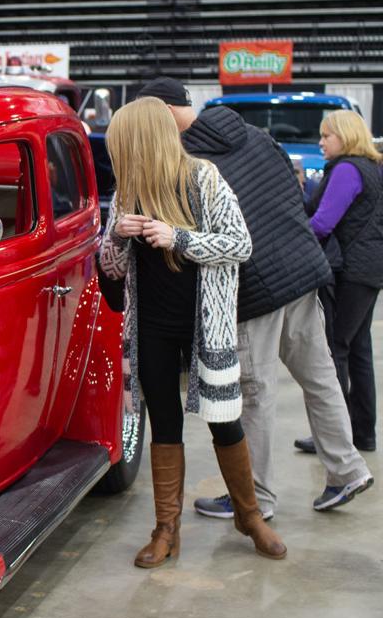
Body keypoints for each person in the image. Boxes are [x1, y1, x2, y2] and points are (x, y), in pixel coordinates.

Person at [132, 77, 373, 518]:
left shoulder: (192, 161)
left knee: (253, 394)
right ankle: (347, 470)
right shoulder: (259, 137)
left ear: (163, 113)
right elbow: (296, 195)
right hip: (303, 271)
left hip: (255, 287)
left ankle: (256, 500)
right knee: (320, 378)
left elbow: (201, 235)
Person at [100, 96, 286, 567]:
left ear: (140, 140)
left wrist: (178, 237)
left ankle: (249, 516)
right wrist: (119, 235)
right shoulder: (126, 192)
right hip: (152, 328)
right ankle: (166, 530)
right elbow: (111, 267)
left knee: (225, 420)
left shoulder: (204, 178)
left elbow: (239, 243)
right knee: (164, 423)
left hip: (208, 325)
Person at [297, 110, 383, 454]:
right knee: (358, 348)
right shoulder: (373, 167)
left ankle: (336, 437)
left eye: (326, 135)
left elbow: (321, 224)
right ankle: (362, 433)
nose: (320, 142)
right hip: (369, 269)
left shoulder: (347, 169)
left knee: (338, 350)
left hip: (351, 271)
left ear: (344, 136)